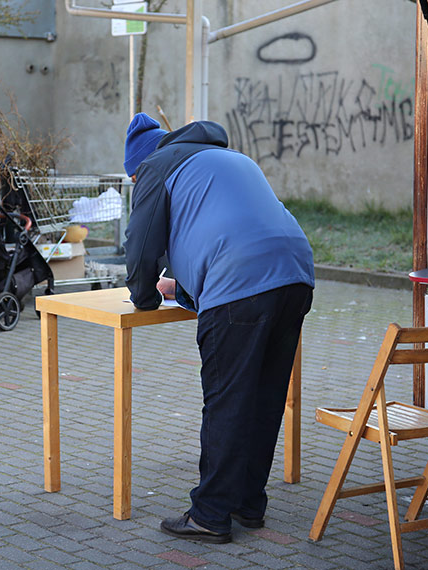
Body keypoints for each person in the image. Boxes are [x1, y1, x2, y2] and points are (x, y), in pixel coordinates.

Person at [122, 112, 315, 544]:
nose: (139, 187)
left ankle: (209, 515)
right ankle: (248, 503)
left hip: (241, 283)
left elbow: (142, 243)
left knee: (226, 399)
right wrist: (185, 287)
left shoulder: (156, 166)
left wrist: (144, 299)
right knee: (263, 396)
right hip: (296, 275)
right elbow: (225, 228)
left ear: (141, 164)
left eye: (134, 180)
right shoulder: (230, 159)